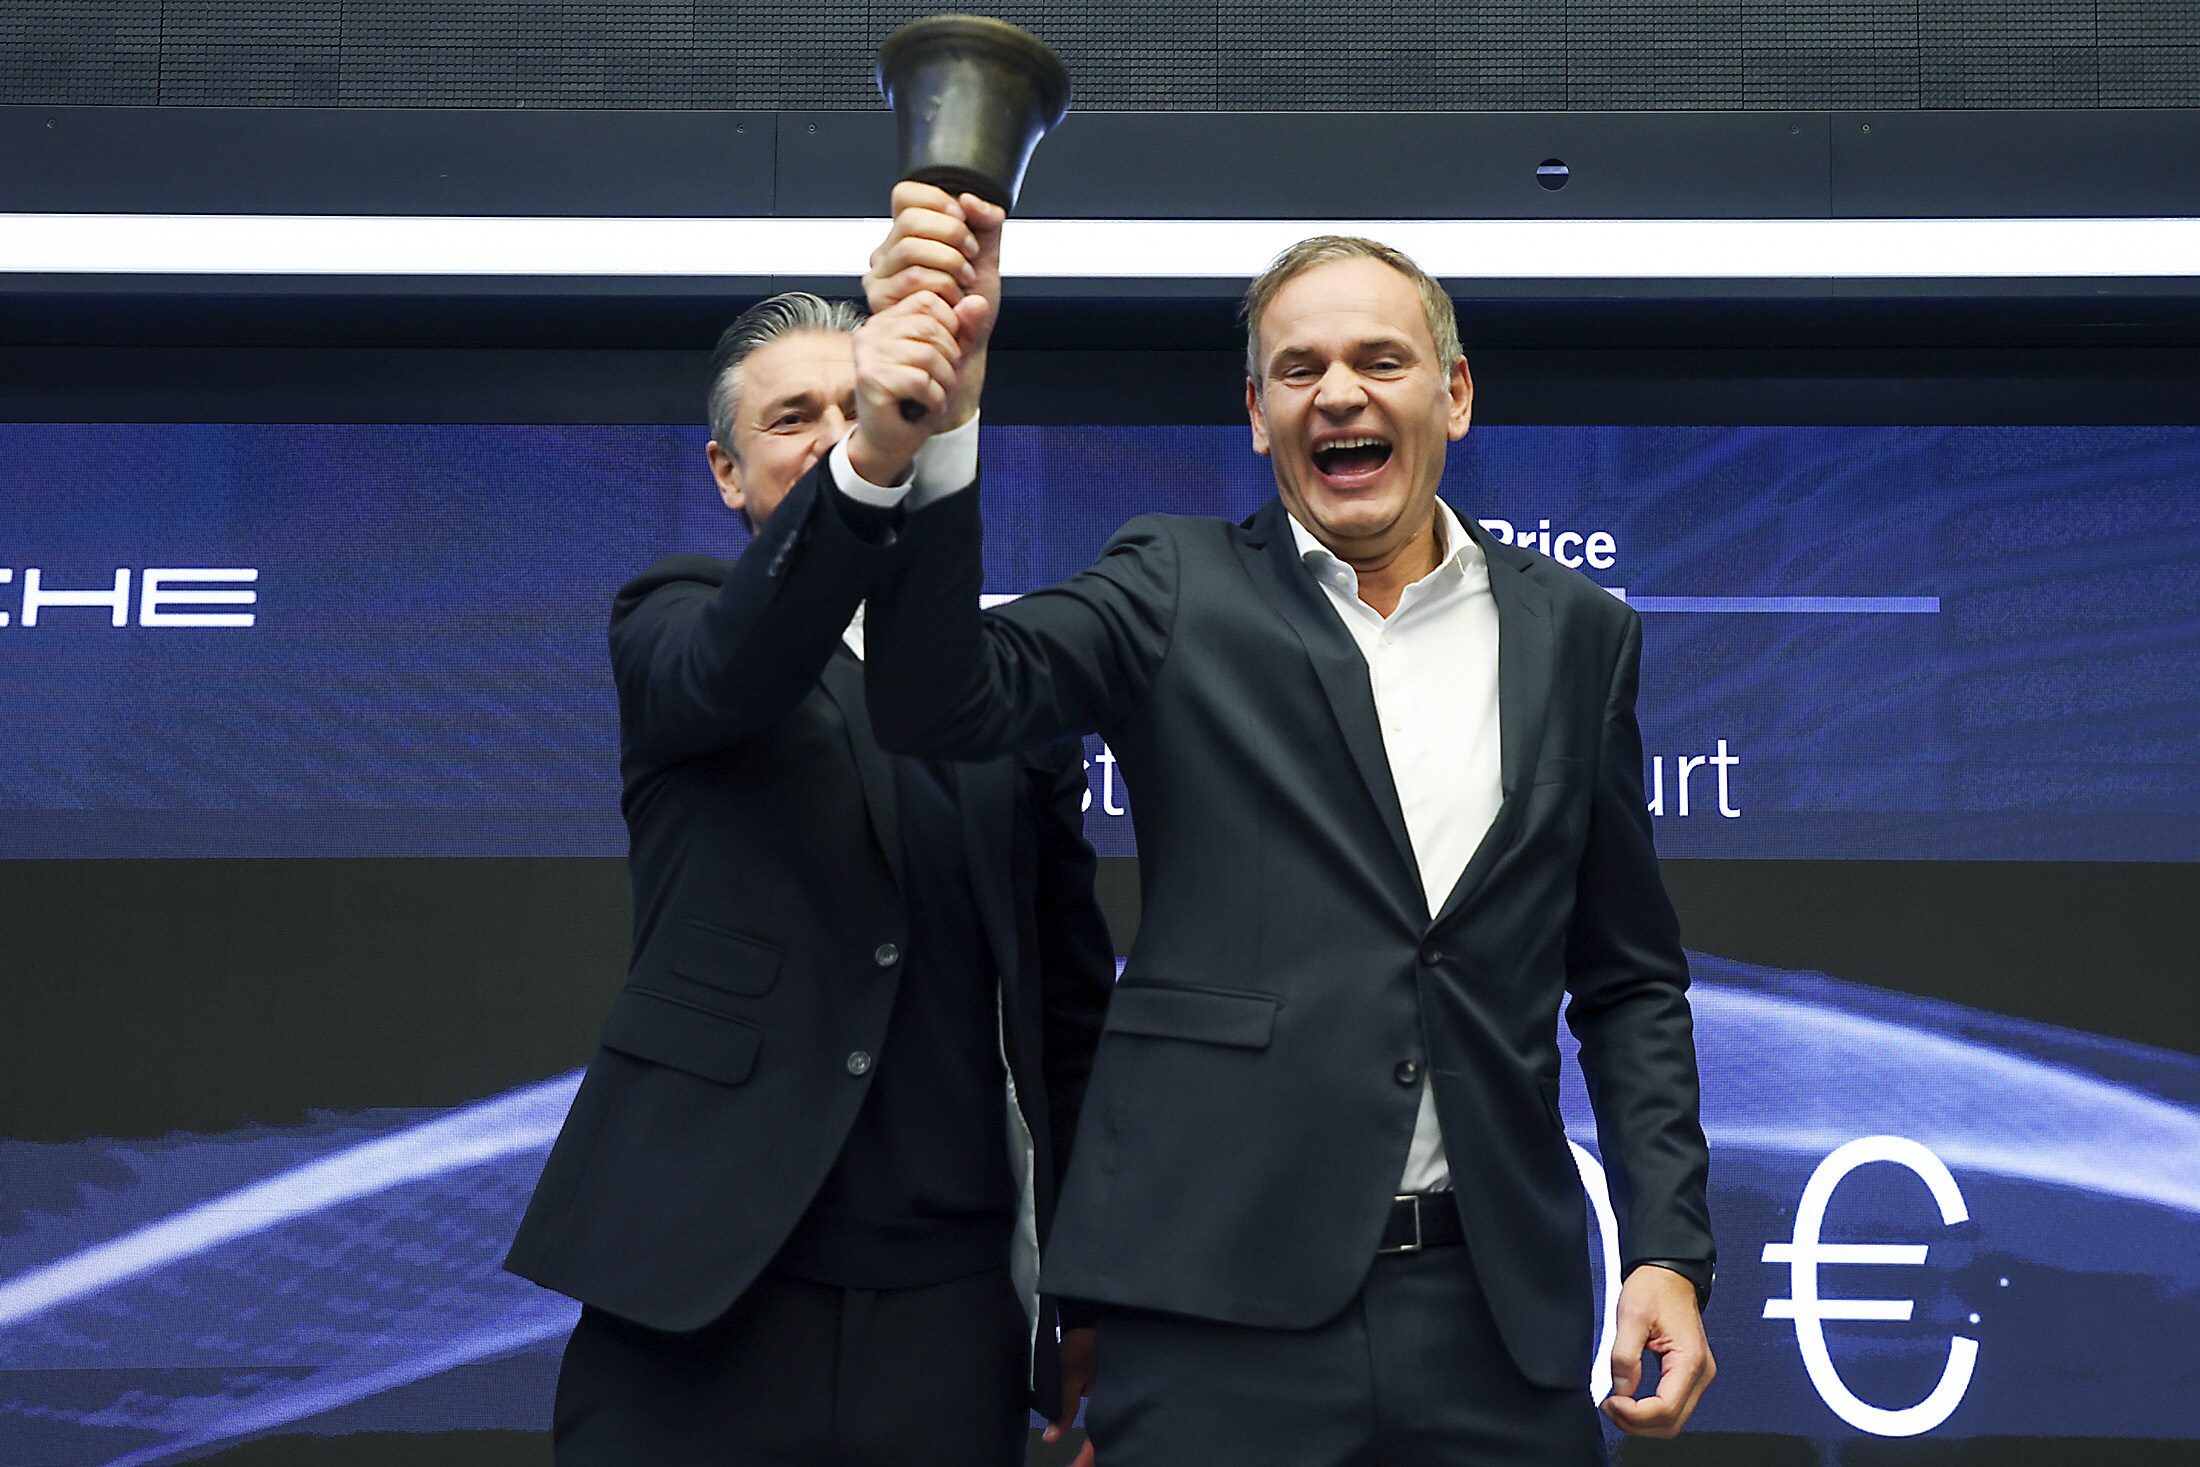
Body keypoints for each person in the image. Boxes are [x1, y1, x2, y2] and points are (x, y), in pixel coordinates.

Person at [829, 186, 1718, 1465]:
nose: (1337, 393)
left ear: (1453, 397)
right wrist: (939, 431)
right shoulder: (1170, 583)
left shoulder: (1580, 635)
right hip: (1215, 1315)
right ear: (1256, 416)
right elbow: (934, 697)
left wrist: (1668, 1251)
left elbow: (1627, 981)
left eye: (1379, 360)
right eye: (1296, 369)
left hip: (1496, 1321)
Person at [504, 289, 1115, 1467]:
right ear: (727, 473)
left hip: (949, 1309)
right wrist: (884, 454)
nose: (843, 431)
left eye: (867, 404)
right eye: (798, 417)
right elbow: (741, 661)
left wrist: (1084, 1291)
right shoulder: (670, 619)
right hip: (700, 1290)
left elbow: (1066, 1012)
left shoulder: (1004, 689)